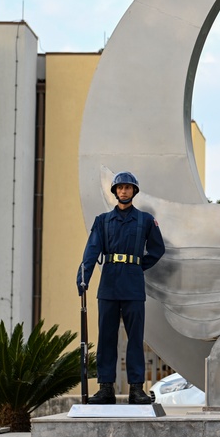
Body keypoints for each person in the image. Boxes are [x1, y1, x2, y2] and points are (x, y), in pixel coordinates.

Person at [77, 171, 165, 405]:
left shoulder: (145, 220)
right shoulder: (102, 221)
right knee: (106, 338)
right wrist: (83, 276)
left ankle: (137, 389)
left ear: (134, 191)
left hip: (133, 285)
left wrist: (137, 266)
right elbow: (92, 251)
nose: (124, 191)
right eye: (120, 187)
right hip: (108, 284)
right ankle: (106, 388)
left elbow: (157, 250)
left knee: (135, 338)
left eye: (128, 187)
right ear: (115, 191)